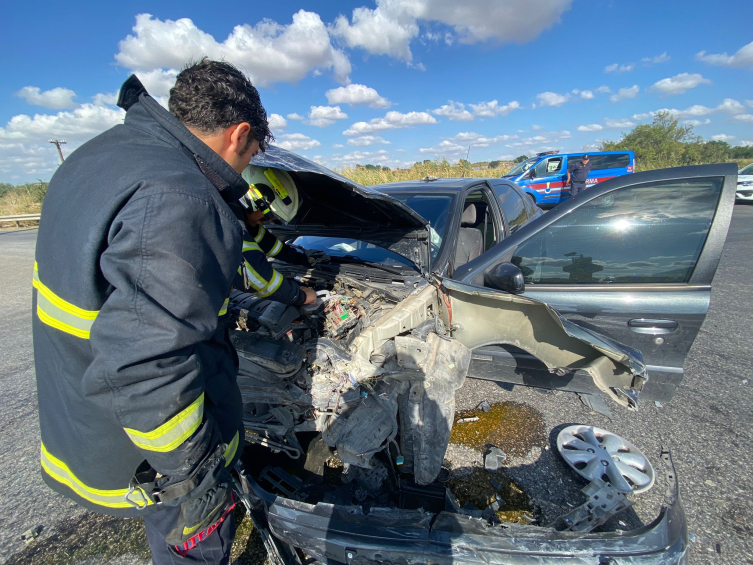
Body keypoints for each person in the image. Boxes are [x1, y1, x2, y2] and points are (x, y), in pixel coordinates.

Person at [32, 59, 280, 564]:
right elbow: (148, 364)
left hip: (89, 415)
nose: (245, 170)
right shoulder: (180, 196)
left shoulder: (100, 156)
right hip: (155, 453)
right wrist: (197, 477)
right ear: (239, 134)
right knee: (190, 551)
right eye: (252, 155)